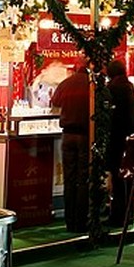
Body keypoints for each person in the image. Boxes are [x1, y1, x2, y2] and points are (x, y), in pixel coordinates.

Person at [105, 59, 134, 227]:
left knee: (117, 178)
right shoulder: (130, 89)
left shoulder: (112, 90)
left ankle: (118, 215)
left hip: (116, 140)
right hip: (130, 140)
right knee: (127, 179)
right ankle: (127, 214)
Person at [51, 62, 91, 232]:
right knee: (83, 179)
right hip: (84, 135)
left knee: (69, 178)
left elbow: (54, 106)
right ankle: (81, 221)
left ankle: (69, 220)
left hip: (67, 135)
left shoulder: (65, 83)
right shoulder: (91, 85)